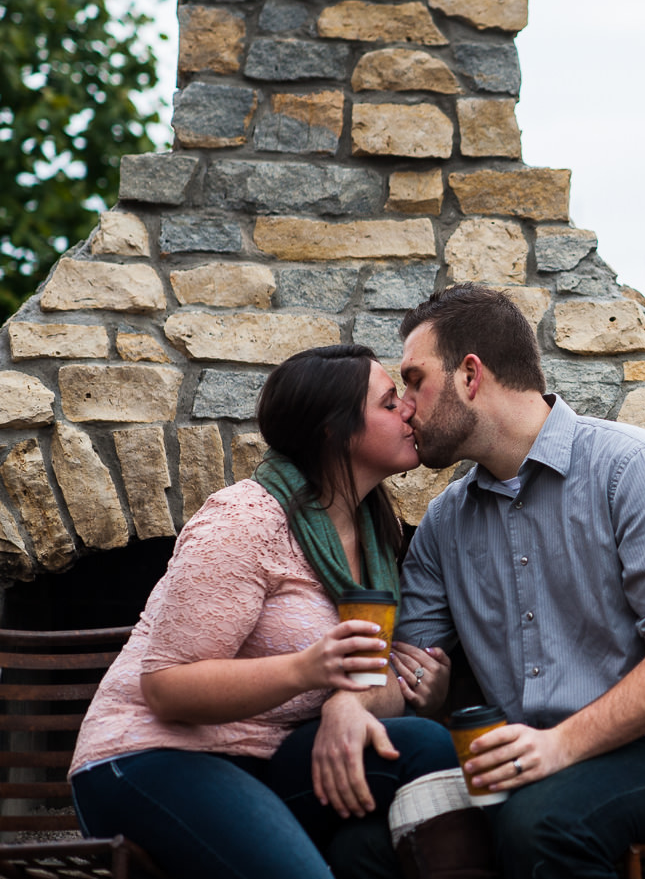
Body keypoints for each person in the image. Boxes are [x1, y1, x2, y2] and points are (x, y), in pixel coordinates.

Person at [375, 284, 645, 878]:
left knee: (542, 821)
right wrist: (417, 685)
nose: (404, 406)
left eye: (415, 380)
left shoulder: (633, 469)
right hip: (530, 764)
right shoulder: (445, 524)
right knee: (367, 845)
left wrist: (559, 746)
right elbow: (411, 668)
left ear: (471, 376)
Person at [69, 344, 460, 879]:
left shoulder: (373, 536)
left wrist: (413, 687)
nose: (408, 410)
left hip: (270, 761)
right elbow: (168, 687)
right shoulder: (246, 520)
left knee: (426, 745)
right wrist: (308, 670)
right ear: (333, 429)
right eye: (389, 402)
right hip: (154, 757)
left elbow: (366, 676)